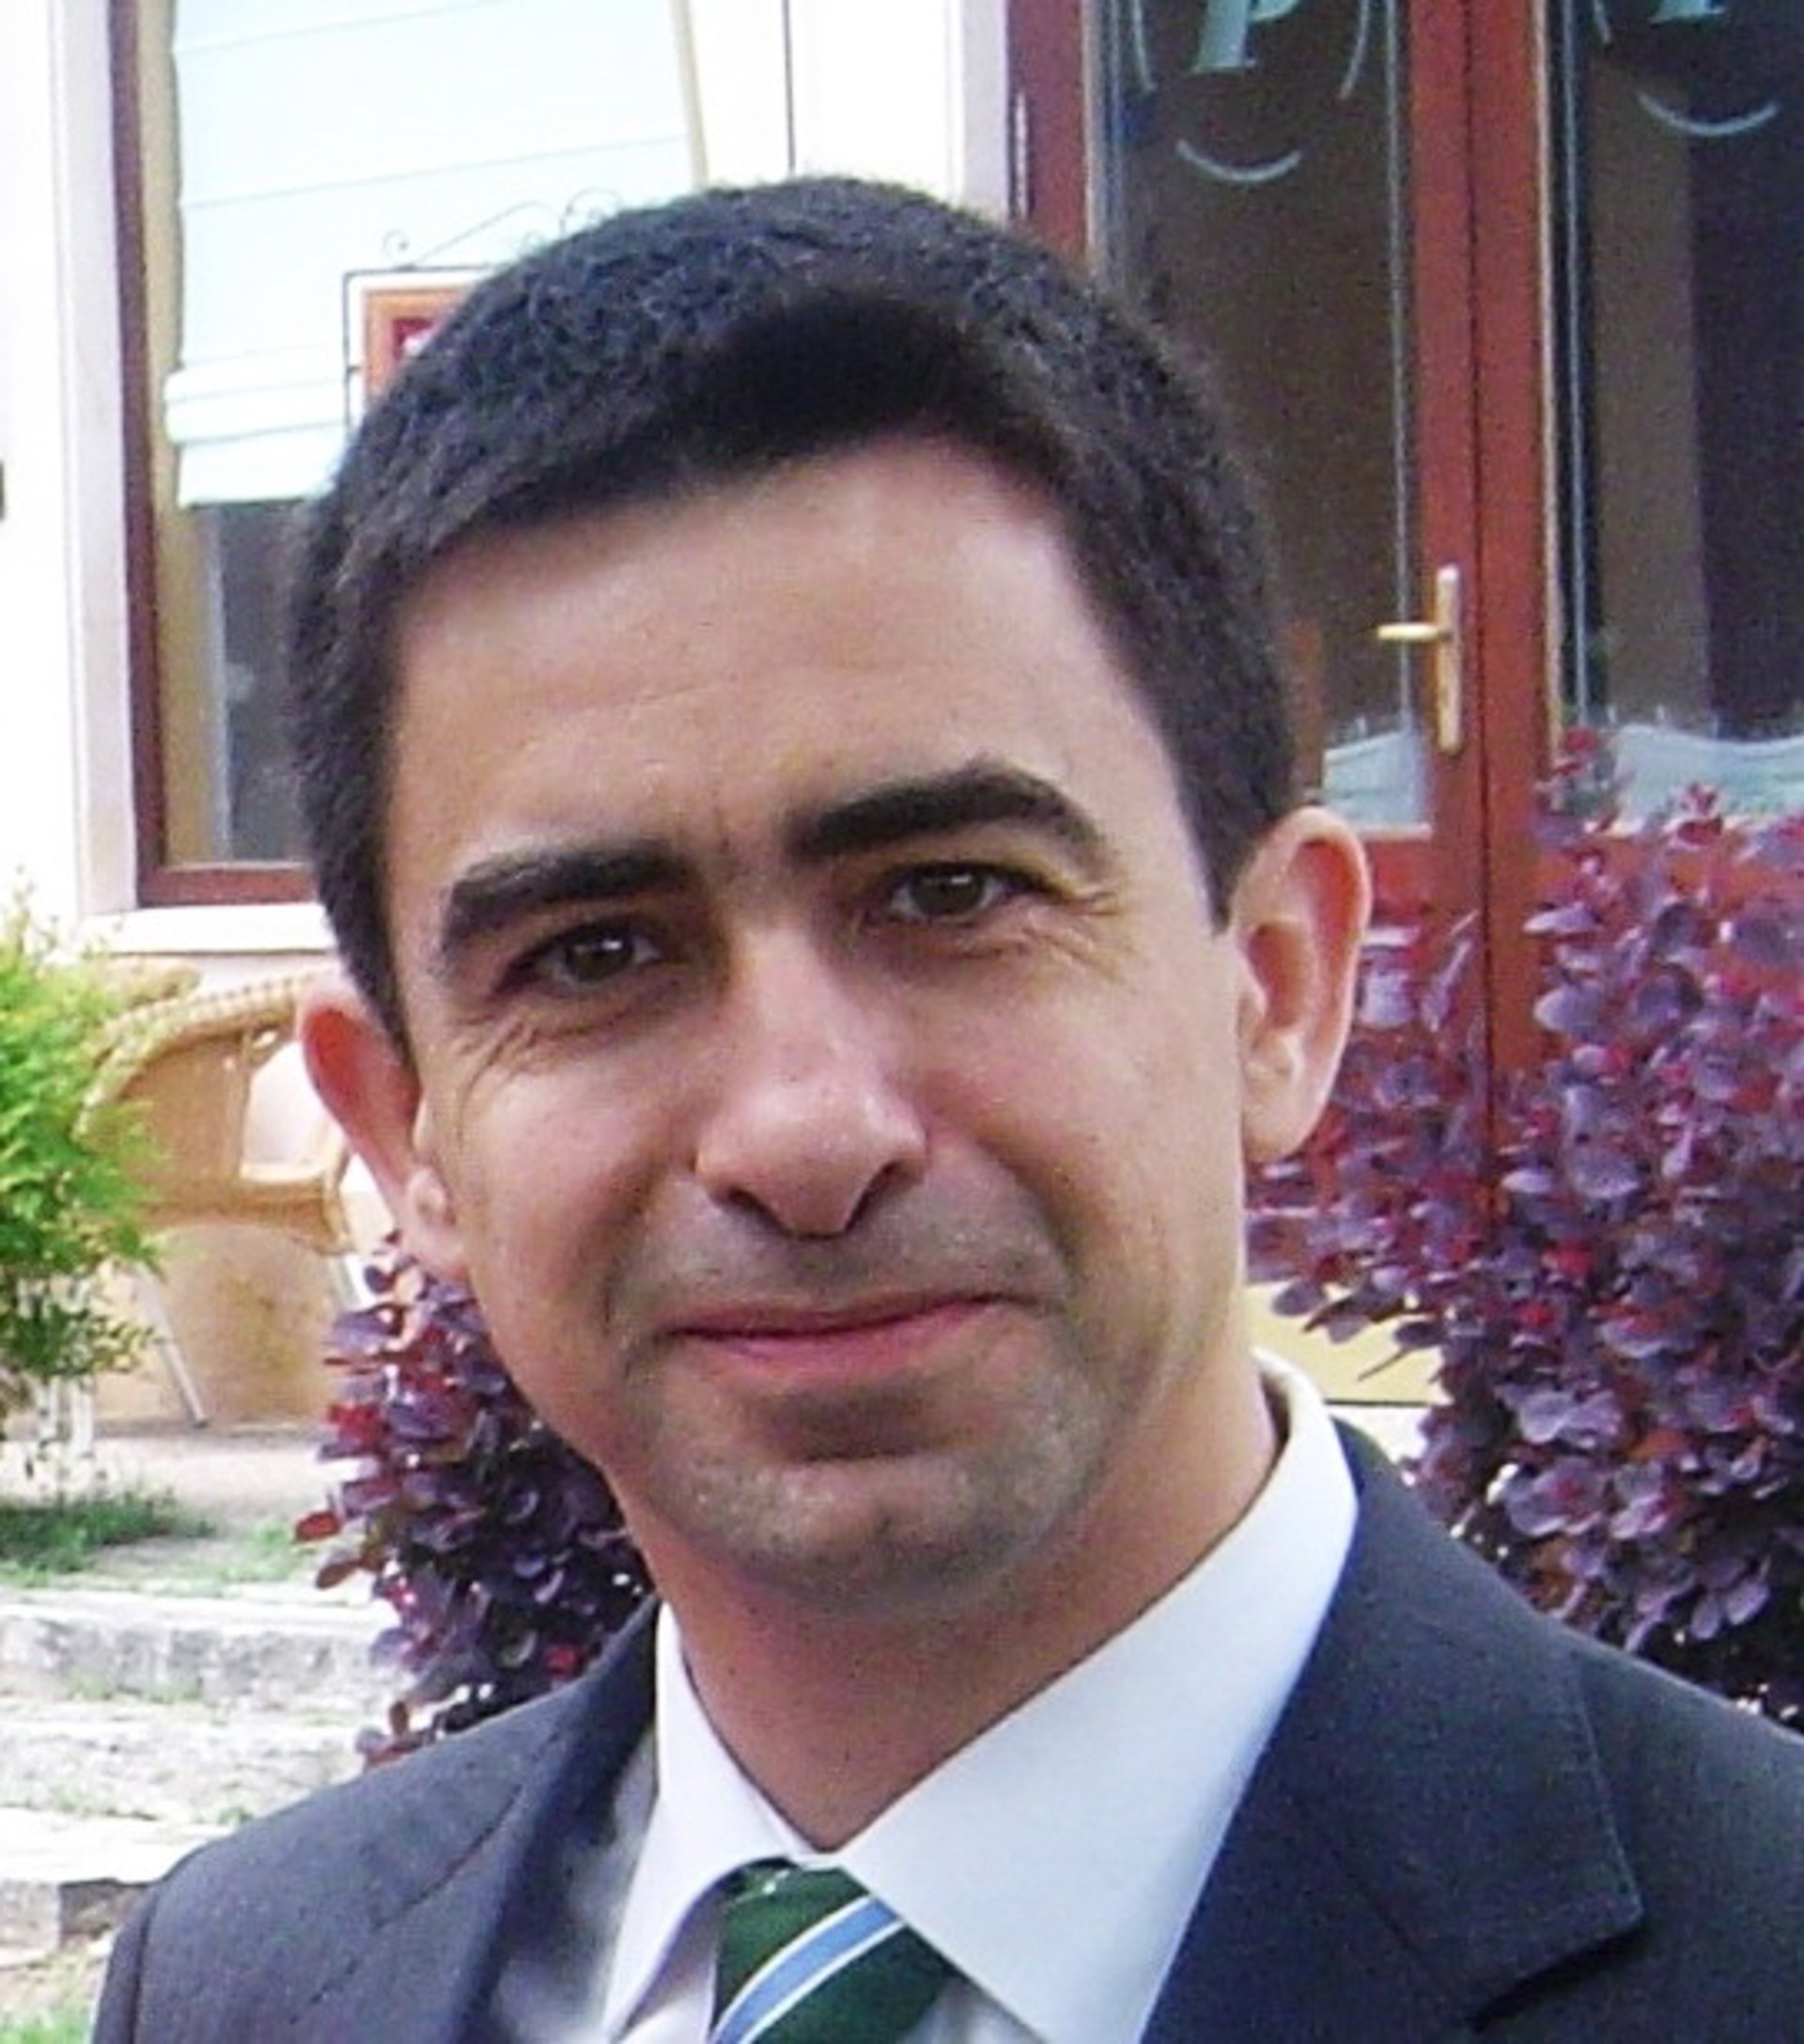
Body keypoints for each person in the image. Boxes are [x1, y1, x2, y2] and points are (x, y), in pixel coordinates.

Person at [98, 178, 1804, 2043]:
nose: (804, 1132)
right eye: (595, 955)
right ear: (406, 1128)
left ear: (1279, 985)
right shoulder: (247, 1984)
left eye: (950, 893)